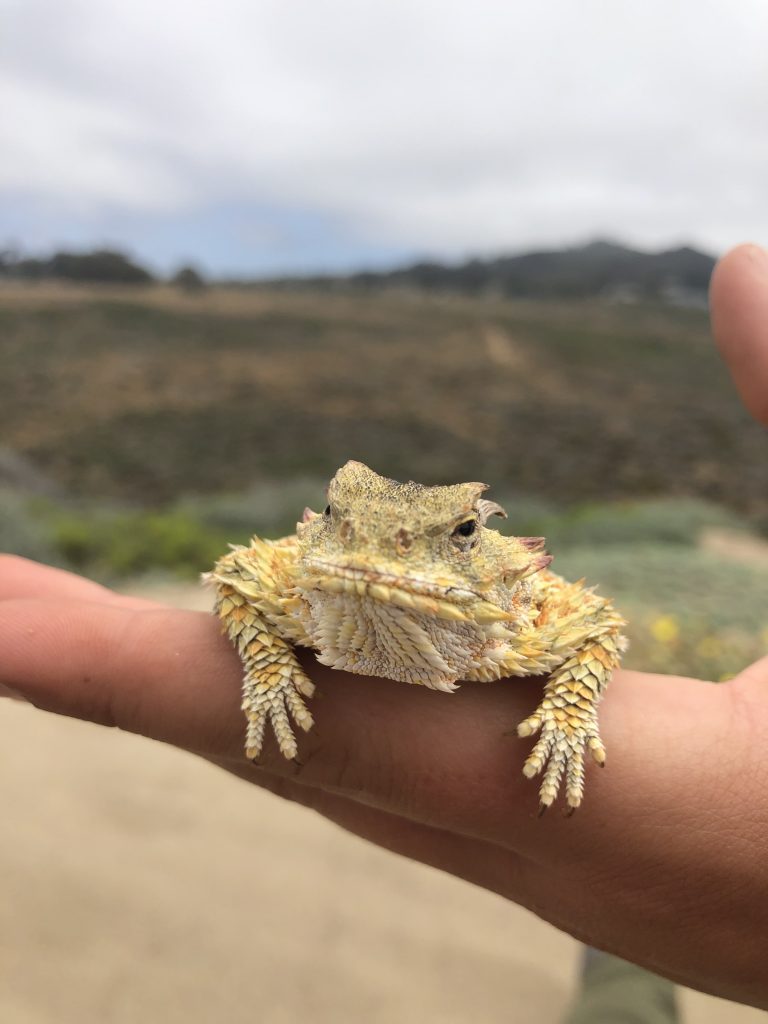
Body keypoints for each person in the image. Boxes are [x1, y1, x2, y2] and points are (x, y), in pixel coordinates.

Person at [1, 244, 767, 1011]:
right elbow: (235, 574)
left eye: (458, 534)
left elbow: (596, 625)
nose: (379, 553)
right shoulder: (300, 580)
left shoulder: (520, 617)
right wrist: (267, 663)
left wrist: (568, 714)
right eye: (341, 521)